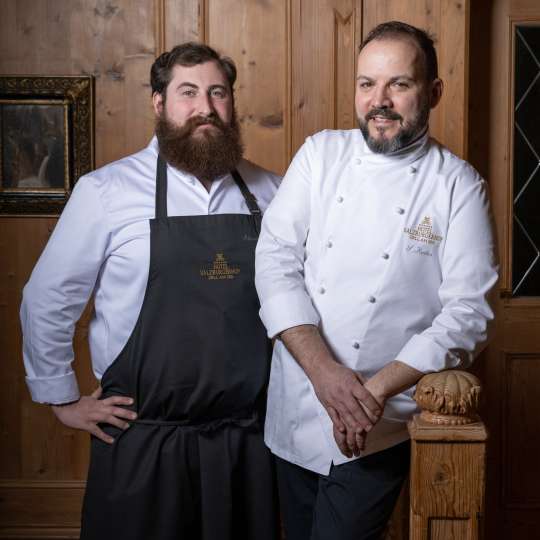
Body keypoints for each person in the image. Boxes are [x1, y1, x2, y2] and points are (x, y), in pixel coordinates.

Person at [21, 42, 281, 540]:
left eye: (217, 92)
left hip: (247, 443)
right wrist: (61, 398)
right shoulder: (106, 192)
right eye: (188, 92)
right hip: (143, 440)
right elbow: (47, 300)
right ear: (159, 104)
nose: (205, 107)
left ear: (231, 102)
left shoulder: (272, 192)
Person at [255, 21, 498, 540]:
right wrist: (324, 374)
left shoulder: (458, 185)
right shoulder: (321, 155)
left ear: (432, 92)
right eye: (367, 84)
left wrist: (371, 392)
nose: (379, 101)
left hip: (380, 423)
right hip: (298, 403)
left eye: (399, 84)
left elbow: (468, 313)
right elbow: (275, 259)